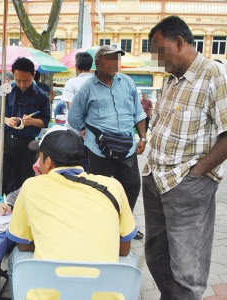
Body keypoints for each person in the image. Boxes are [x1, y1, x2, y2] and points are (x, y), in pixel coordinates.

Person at [143, 16, 227, 300]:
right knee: (156, 257)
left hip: (187, 184)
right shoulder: (170, 80)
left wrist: (198, 172)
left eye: (158, 50)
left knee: (186, 271)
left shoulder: (213, 75)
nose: (156, 58)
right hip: (155, 179)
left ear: (178, 43)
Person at [6, 126, 137, 299]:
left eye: (39, 156)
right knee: (129, 261)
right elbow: (124, 249)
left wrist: (47, 244)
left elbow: (23, 244)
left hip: (51, 292)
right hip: (100, 291)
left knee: (17, 258)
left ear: (48, 161)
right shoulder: (112, 186)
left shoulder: (31, 187)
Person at [68, 45, 147, 240]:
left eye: (117, 59)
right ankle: (100, 228)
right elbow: (74, 119)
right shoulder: (87, 88)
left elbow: (138, 112)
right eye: (110, 59)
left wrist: (143, 137)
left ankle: (125, 227)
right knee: (98, 190)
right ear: (98, 63)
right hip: (98, 149)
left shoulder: (127, 82)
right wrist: (85, 132)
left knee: (131, 186)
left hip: (127, 147)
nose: (115, 63)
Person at [0, 57, 50, 204]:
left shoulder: (41, 95)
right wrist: (6, 120)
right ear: (13, 75)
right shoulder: (5, 90)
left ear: (33, 75)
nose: (22, 84)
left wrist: (31, 121)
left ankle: (18, 212)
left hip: (26, 144)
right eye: (18, 80)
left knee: (23, 183)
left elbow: (45, 121)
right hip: (4, 140)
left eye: (26, 81)